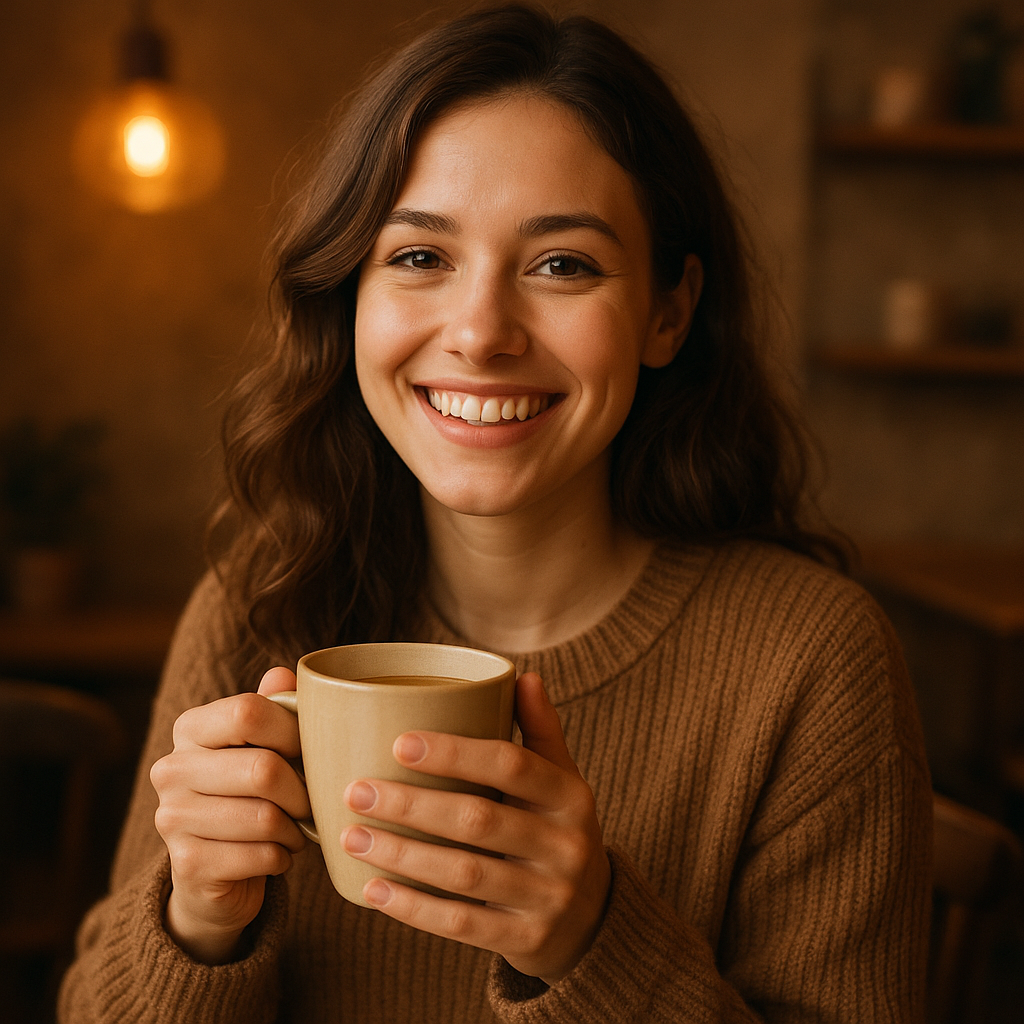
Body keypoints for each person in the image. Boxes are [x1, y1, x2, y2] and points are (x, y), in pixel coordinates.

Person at [59, 5, 933, 1022]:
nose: (478, 333)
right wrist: (196, 920)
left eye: (562, 264)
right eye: (419, 258)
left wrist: (589, 941)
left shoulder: (811, 663)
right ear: (350, 296)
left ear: (668, 311)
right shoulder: (259, 605)